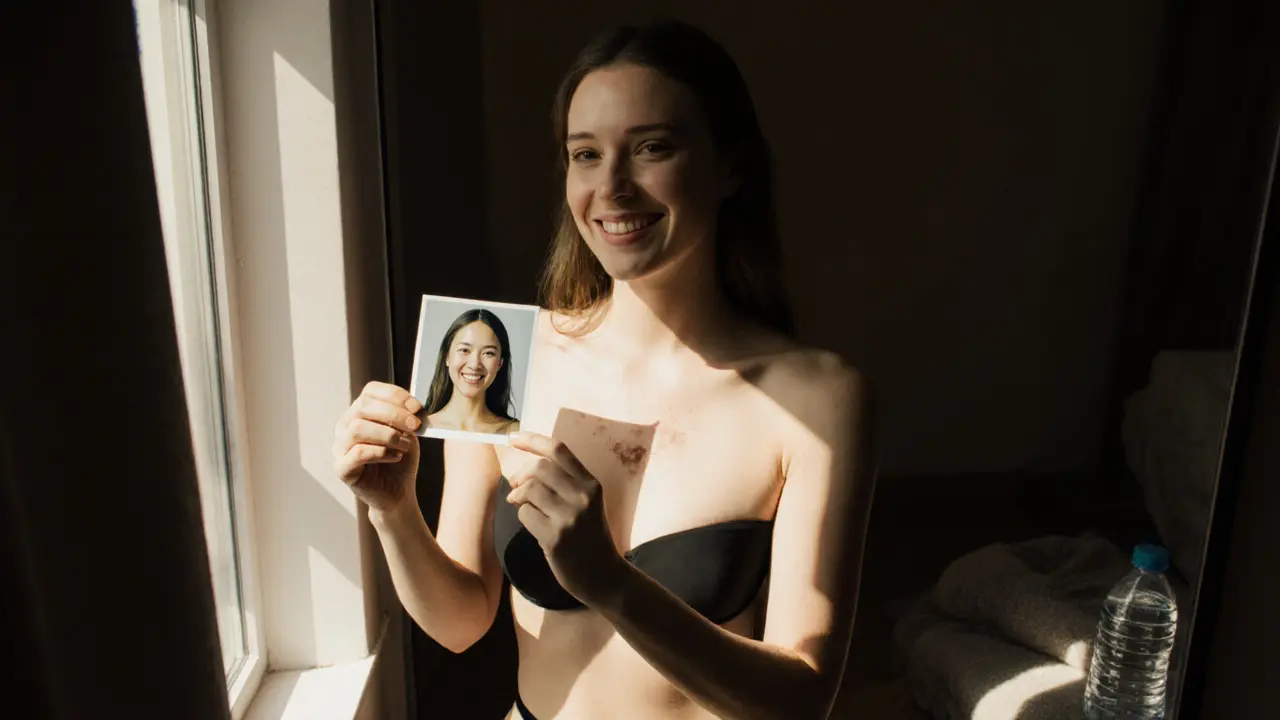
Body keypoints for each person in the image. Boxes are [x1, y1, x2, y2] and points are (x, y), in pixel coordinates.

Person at [333, 18, 875, 720]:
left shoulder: (818, 397)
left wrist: (610, 584)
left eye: (652, 148)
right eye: (585, 155)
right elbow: (460, 621)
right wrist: (392, 512)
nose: (613, 187)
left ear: (730, 165)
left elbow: (802, 698)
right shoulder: (507, 355)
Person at [418, 308, 521, 435]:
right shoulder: (418, 426)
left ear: (500, 363)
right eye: (465, 350)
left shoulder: (516, 432)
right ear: (447, 357)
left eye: (488, 353)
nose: (474, 364)